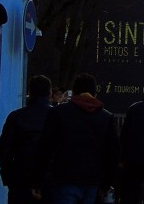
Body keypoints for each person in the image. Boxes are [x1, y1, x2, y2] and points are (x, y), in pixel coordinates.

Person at [32, 72, 119, 204]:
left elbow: (45, 148)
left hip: (64, 178)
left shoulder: (58, 113)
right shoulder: (106, 118)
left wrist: (37, 181)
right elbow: (112, 153)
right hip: (93, 181)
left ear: (74, 92)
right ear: (95, 94)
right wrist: (106, 184)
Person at [0, 75, 53, 204]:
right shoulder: (58, 117)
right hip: (50, 181)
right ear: (49, 94)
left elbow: (4, 150)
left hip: (21, 178)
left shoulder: (16, 117)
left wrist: (8, 176)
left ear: (29, 93)